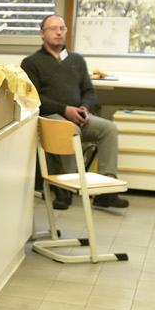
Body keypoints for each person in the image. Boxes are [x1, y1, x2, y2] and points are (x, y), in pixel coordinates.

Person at [20, 14, 128, 210]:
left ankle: (106, 192)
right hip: (51, 116)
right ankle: (64, 190)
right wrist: (65, 109)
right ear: (42, 34)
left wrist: (84, 108)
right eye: (53, 28)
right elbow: (33, 98)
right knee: (70, 130)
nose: (59, 32)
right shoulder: (31, 63)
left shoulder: (77, 60)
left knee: (109, 129)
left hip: (79, 116)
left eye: (62, 28)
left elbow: (89, 90)